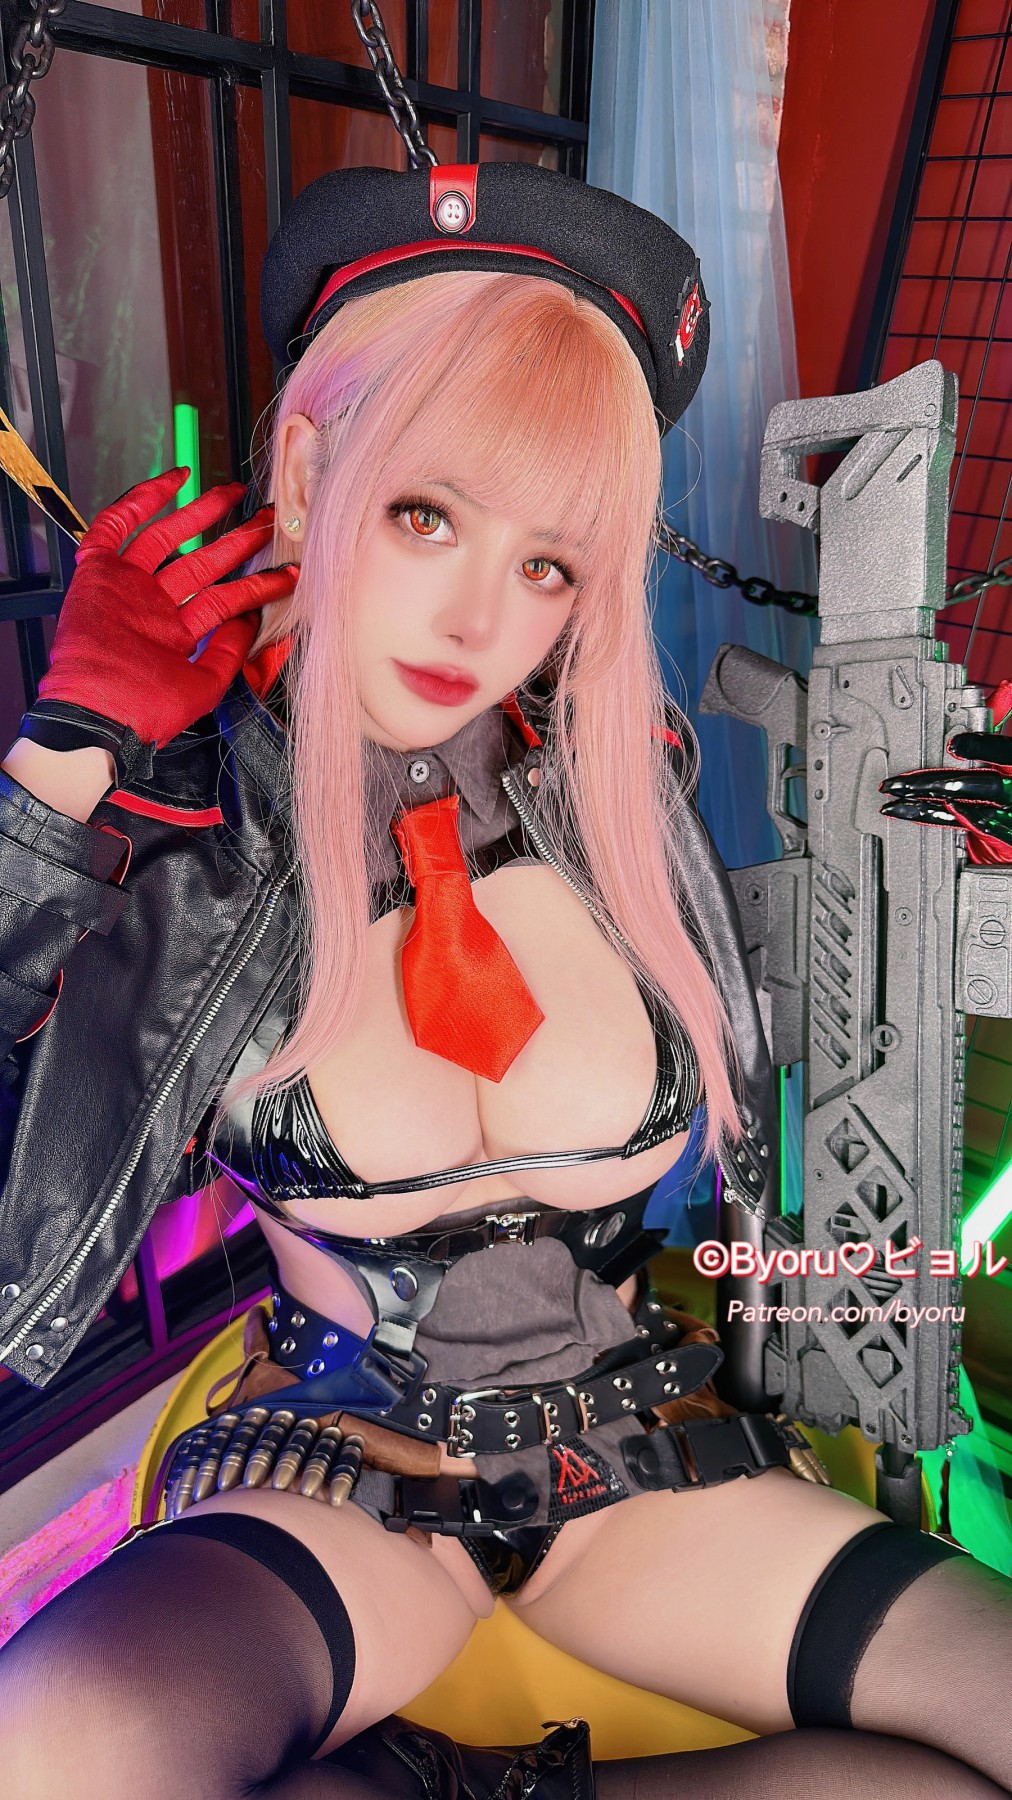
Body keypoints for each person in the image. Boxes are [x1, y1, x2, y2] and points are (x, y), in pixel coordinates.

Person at [0, 162, 1010, 1800]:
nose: (481, 616)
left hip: (643, 1468)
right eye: (427, 514)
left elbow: (790, 1001)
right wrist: (58, 768)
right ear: (310, 471)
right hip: (335, 1469)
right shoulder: (179, 838)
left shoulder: (617, 801)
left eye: (551, 563)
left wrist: (930, 852)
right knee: (46, 1754)